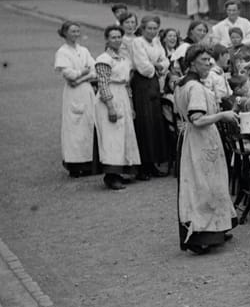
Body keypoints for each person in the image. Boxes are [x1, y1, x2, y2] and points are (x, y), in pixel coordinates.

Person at [174, 45, 238, 252]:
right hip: (201, 140)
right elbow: (197, 119)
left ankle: (217, 227)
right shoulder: (194, 87)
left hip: (196, 140)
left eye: (210, 60)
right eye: (203, 60)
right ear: (192, 62)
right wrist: (222, 116)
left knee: (207, 184)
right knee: (203, 187)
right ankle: (202, 234)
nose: (209, 63)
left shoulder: (184, 83)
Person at [93, 26, 142, 190]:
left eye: (119, 37)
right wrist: (110, 107)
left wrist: (131, 105)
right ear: (107, 39)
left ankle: (121, 172)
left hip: (122, 95)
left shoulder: (123, 59)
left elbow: (127, 84)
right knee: (112, 137)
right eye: (113, 37)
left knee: (124, 135)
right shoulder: (103, 59)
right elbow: (103, 84)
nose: (117, 40)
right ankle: (111, 176)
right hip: (110, 98)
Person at [128, 15, 171, 178]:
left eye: (155, 28)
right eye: (149, 28)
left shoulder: (157, 42)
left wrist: (159, 65)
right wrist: (156, 65)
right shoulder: (137, 42)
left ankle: (152, 163)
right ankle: (142, 166)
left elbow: (165, 61)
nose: (152, 31)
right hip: (141, 84)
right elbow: (143, 67)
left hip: (153, 83)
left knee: (154, 123)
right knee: (144, 123)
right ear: (143, 28)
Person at [54, 21, 96, 177]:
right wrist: (83, 72)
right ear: (65, 33)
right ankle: (74, 165)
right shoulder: (62, 52)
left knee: (88, 125)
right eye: (72, 31)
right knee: (74, 127)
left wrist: (81, 76)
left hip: (85, 90)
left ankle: (88, 163)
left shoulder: (83, 50)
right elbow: (68, 75)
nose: (76, 34)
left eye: (78, 31)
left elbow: (95, 69)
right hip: (73, 94)